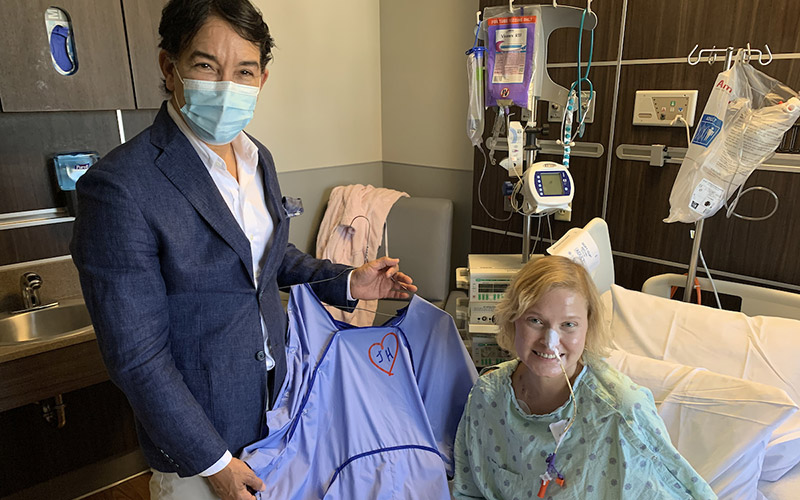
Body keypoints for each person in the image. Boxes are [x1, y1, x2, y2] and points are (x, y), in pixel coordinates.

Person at [70, 1, 416, 499]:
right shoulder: (121, 186)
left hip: (277, 410)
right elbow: (136, 356)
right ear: (170, 68)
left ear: (263, 79)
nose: (227, 85)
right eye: (206, 65)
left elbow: (264, 261)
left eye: (244, 70)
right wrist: (214, 464)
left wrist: (347, 281)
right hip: (199, 445)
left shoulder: (257, 158)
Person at [452, 256, 715, 499]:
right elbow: (468, 490)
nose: (549, 341)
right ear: (513, 319)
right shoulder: (487, 397)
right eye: (535, 320)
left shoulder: (619, 412)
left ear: (589, 327)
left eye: (568, 325)